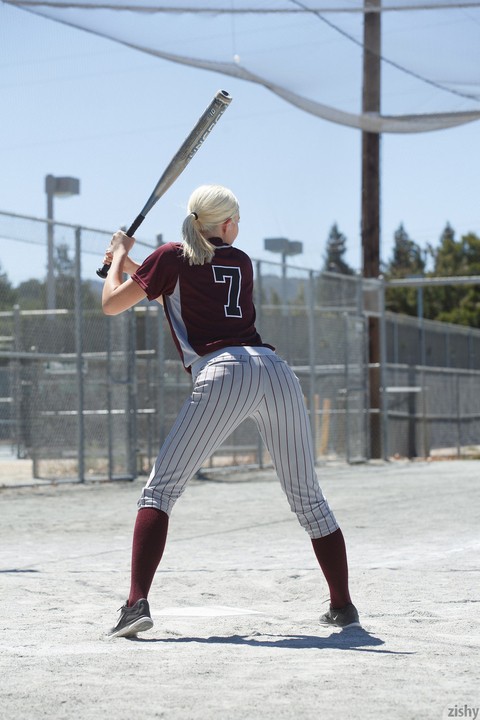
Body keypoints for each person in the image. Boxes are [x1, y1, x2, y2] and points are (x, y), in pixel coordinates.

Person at [101, 184, 360, 638]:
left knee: (159, 491)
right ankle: (344, 606)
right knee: (309, 500)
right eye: (236, 220)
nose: (238, 227)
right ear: (224, 225)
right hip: (274, 369)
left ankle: (135, 603)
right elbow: (165, 279)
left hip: (223, 372)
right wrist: (124, 258)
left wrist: (116, 259)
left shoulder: (172, 255)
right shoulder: (237, 260)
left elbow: (112, 302)